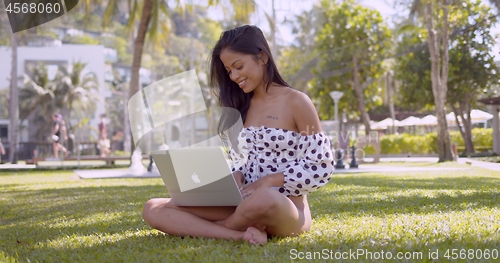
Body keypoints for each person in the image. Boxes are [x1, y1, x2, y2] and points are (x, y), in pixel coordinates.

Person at [142, 25, 334, 245]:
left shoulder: (297, 102)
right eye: (229, 70)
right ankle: (239, 234)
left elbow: (321, 165)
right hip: (241, 201)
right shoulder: (241, 106)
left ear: (262, 57)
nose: (234, 76)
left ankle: (214, 227)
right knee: (153, 207)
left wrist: (269, 180)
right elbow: (240, 162)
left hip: (284, 205)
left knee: (263, 198)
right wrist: (236, 176)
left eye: (238, 66)